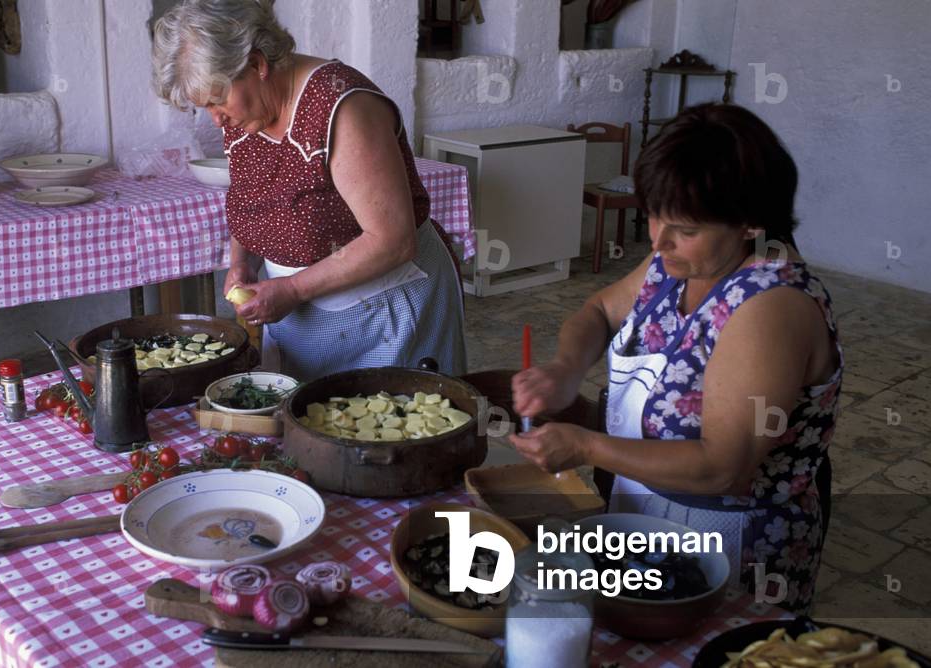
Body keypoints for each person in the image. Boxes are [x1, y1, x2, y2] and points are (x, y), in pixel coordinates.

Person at [510, 103, 842, 612]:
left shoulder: (770, 307)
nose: (657, 239)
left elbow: (720, 467)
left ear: (750, 221)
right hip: (645, 506)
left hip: (730, 537)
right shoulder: (676, 259)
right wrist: (565, 368)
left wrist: (584, 447)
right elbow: (599, 311)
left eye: (683, 226)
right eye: (653, 215)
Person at [152, 0, 466, 381]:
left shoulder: (343, 108)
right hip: (300, 316)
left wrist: (294, 289)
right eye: (205, 106)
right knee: (307, 432)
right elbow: (254, 200)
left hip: (382, 311)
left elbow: (392, 241)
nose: (215, 118)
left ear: (256, 65)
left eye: (217, 101)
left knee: (389, 427)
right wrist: (242, 264)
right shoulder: (247, 110)